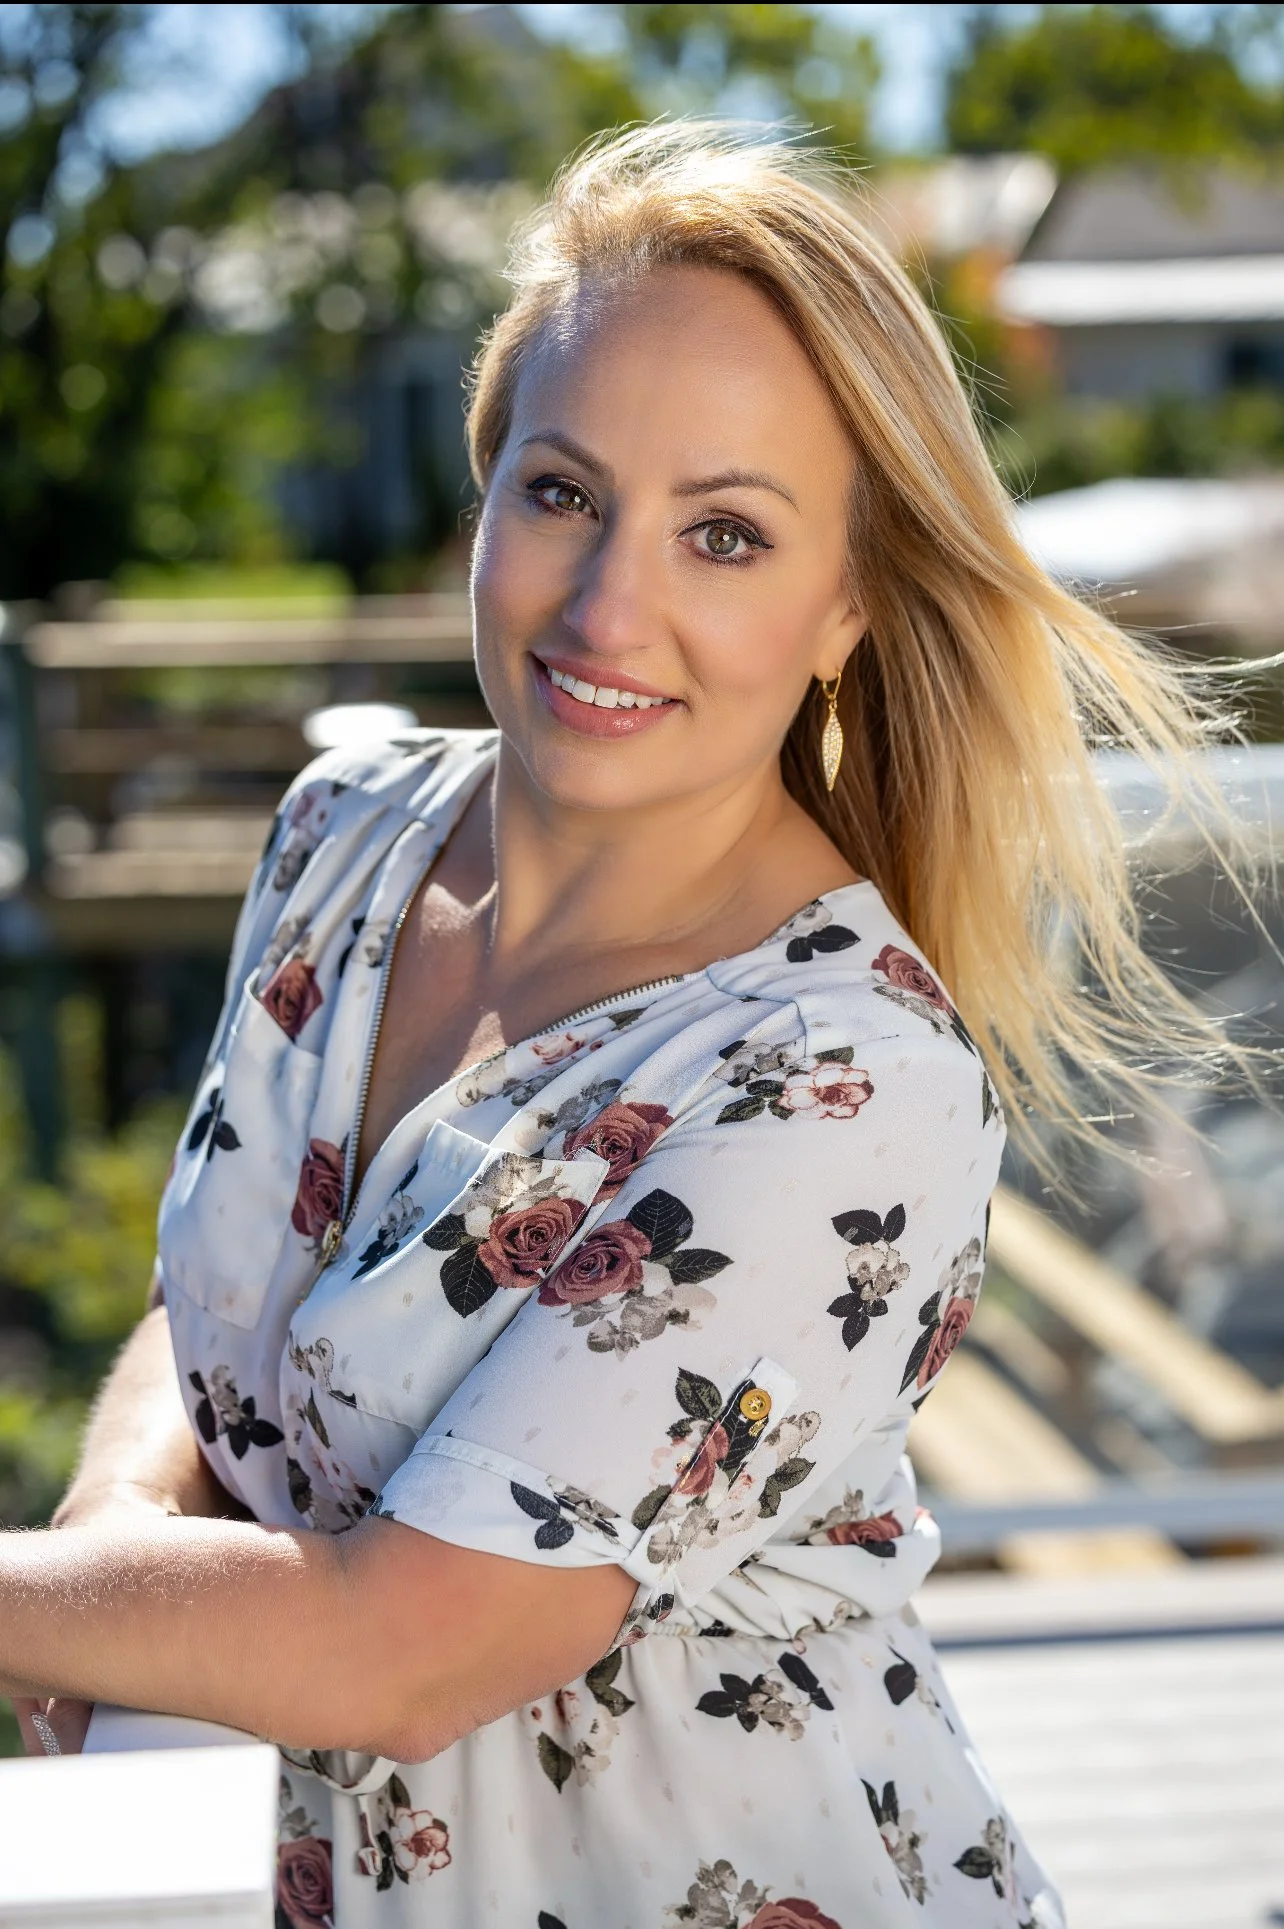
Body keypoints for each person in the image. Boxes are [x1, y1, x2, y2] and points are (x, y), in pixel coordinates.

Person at [2, 125, 1246, 1928]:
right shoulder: (345, 838)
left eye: (723, 533)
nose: (607, 609)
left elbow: (395, 1654)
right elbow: (234, 1286)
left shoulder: (844, 1083)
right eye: (565, 492)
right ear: (484, 489)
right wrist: (119, 1507)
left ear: (848, 610)